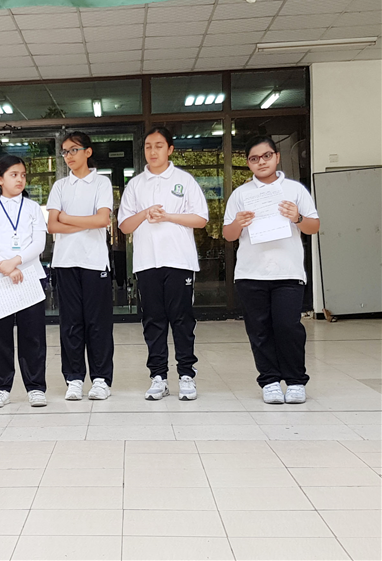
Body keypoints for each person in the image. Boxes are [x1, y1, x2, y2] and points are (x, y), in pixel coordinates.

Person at [223, 135, 320, 404]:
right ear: (248, 163)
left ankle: (296, 380)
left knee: (288, 327)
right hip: (251, 273)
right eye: (254, 158)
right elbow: (228, 235)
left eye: (266, 156)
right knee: (259, 330)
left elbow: (313, 227)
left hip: (288, 272)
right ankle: (269, 381)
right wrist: (239, 223)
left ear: (276, 157)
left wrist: (297, 217)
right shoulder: (241, 194)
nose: (261, 162)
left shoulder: (294, 190)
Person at [118, 127, 209, 402]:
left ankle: (186, 375)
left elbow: (201, 219)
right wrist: (145, 213)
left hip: (179, 260)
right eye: (148, 146)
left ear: (170, 149)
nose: (153, 151)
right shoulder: (136, 184)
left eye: (158, 145)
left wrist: (168, 216)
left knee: (182, 319)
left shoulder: (184, 180)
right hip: (147, 262)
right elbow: (124, 225)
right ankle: (158, 377)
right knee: (153, 320)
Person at [46, 132, 115, 402]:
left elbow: (102, 220)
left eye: (74, 150)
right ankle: (74, 378)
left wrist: (67, 218)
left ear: (88, 151)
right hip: (65, 262)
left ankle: (101, 379)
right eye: (65, 151)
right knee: (71, 324)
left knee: (98, 324)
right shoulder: (60, 186)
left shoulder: (101, 183)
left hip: (94, 261)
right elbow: (52, 225)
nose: (68, 156)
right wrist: (84, 221)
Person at [0, 155, 48, 408]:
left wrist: (15, 262)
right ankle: (0, 388)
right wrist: (3, 266)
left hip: (29, 276)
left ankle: (36, 387)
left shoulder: (33, 208)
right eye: (14, 175)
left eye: (23, 175)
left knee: (33, 335)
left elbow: (39, 243)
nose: (20, 179)